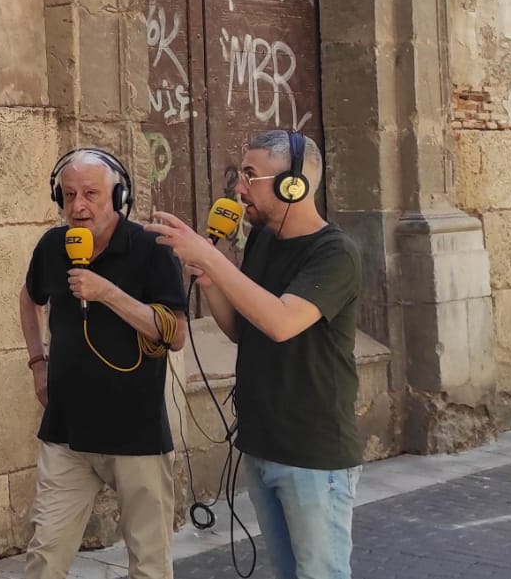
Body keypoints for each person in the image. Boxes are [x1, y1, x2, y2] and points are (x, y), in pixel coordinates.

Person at [149, 129, 363, 579]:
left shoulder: (336, 253)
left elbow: (282, 322)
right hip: (262, 444)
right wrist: (210, 279)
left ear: (294, 185)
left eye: (251, 176)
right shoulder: (263, 241)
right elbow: (242, 330)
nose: (239, 188)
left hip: (313, 453)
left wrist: (214, 263)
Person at [18, 147, 189, 579]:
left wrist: (107, 293)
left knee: (150, 564)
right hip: (67, 432)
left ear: (118, 196)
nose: (78, 206)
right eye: (70, 194)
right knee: (44, 556)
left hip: (137, 434)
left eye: (91, 193)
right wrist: (38, 362)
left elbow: (176, 333)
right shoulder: (54, 246)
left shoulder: (150, 248)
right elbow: (29, 297)